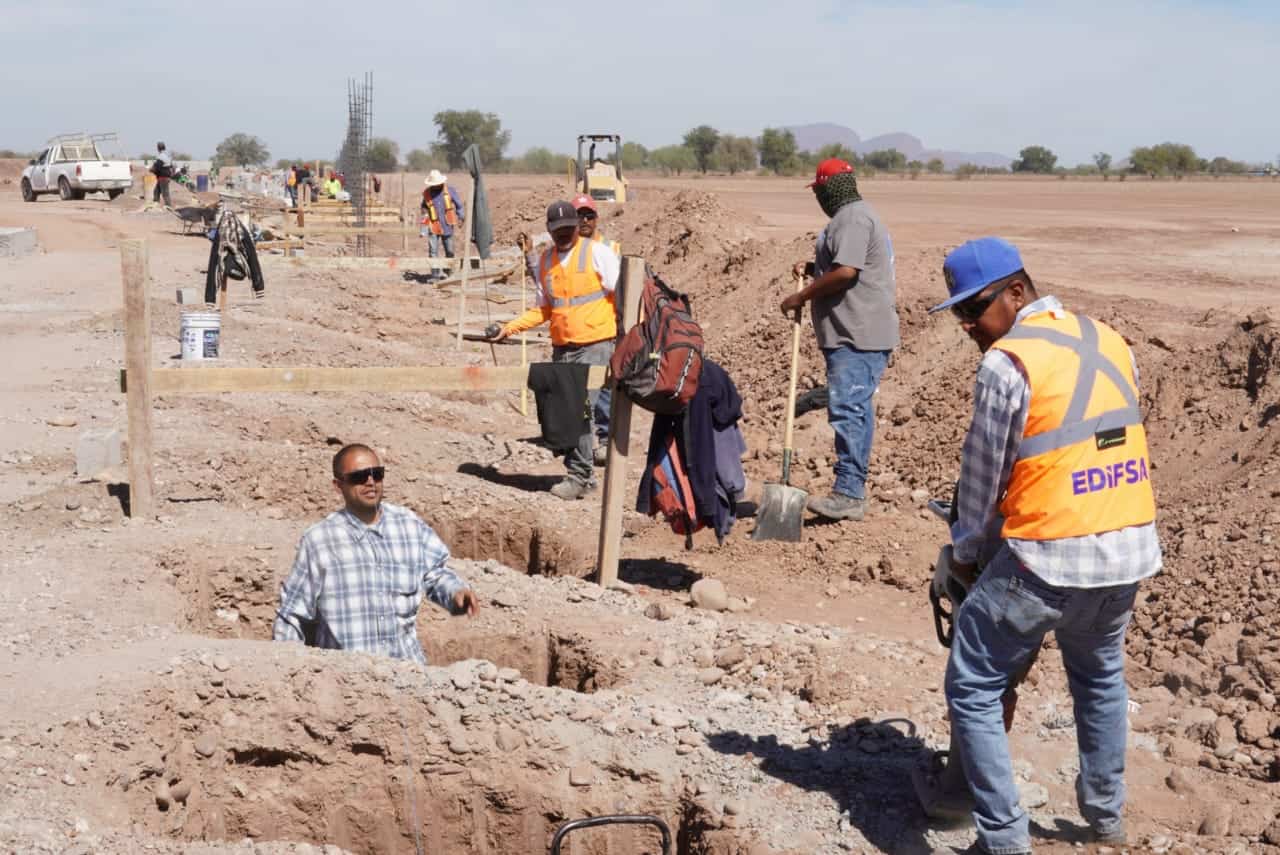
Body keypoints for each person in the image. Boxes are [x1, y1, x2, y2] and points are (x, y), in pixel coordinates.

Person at [929, 237, 1162, 854]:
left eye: (973, 310)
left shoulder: (1009, 363)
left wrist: (967, 551)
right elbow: (1103, 441)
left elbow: (982, 477)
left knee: (974, 685)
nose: (968, 327)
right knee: (1100, 676)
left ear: (1015, 291)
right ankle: (1105, 819)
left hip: (1045, 558)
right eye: (958, 315)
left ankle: (1004, 841)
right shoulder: (1109, 338)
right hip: (1126, 550)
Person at [272, 444, 481, 662]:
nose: (370, 482)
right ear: (338, 485)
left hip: (409, 676)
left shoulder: (408, 525)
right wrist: (290, 674)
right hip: (350, 682)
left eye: (376, 474)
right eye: (358, 477)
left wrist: (456, 592)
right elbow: (292, 617)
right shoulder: (319, 541)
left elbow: (435, 575)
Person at [782, 158, 898, 522]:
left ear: (829, 190)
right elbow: (845, 264)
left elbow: (847, 272)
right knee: (851, 405)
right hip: (852, 332)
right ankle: (849, 489)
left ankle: (849, 494)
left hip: (857, 333)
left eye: (819, 191)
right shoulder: (853, 218)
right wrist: (815, 268)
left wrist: (802, 296)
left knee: (849, 408)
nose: (818, 198)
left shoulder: (852, 218)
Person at [491, 201, 621, 498]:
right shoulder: (547, 261)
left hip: (596, 344)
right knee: (563, 411)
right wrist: (508, 328)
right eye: (558, 231)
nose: (564, 235)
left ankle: (581, 479)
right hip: (563, 348)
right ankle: (581, 473)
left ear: (577, 226)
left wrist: (630, 337)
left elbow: (624, 292)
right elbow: (543, 311)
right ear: (549, 231)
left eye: (568, 229)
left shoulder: (597, 253)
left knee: (579, 412)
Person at [420, 169, 466, 260]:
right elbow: (424, 207)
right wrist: (423, 227)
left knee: (450, 251)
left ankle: (449, 272)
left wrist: (461, 217)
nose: (436, 186)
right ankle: (435, 273)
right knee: (433, 252)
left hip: (447, 225)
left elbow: (459, 205)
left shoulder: (450, 191)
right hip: (433, 225)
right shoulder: (426, 193)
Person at [151, 141, 173, 208]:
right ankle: (156, 203)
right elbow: (171, 166)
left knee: (165, 192)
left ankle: (168, 205)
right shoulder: (167, 156)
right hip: (165, 177)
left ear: (158, 148)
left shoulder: (161, 157)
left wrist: (152, 170)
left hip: (163, 177)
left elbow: (157, 168)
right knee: (156, 190)